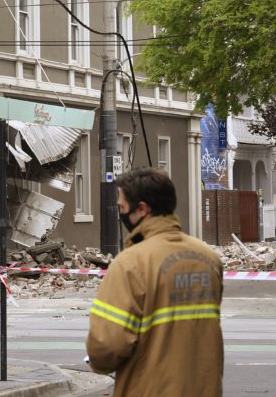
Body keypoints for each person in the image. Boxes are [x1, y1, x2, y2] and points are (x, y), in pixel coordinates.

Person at [86, 167, 224, 397]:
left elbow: (106, 347)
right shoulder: (208, 258)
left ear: (141, 209)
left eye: (122, 208)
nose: (120, 214)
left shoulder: (130, 263)